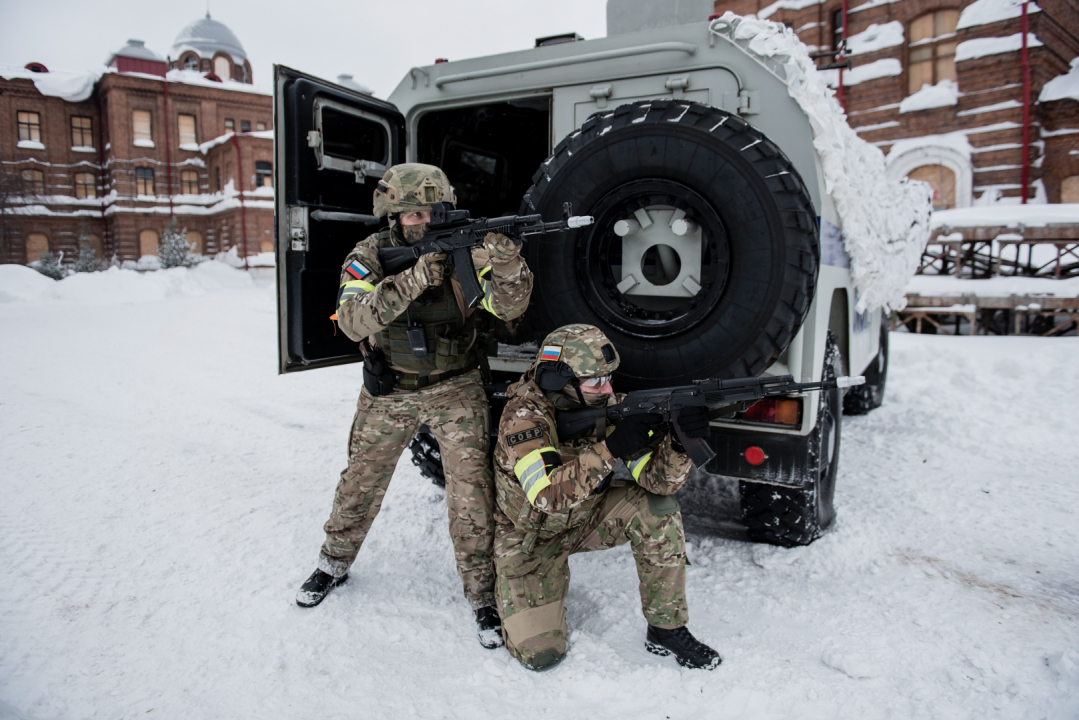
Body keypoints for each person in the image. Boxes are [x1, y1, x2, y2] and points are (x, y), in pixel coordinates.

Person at [296, 163, 533, 650]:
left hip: (456, 386)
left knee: (472, 495)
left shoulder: (469, 251)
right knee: (361, 480)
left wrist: (508, 263)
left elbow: (510, 309)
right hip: (393, 386)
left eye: (427, 210)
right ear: (390, 216)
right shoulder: (369, 254)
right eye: (408, 214)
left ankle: (482, 596)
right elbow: (354, 320)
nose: (419, 221)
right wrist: (412, 279)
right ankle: (333, 562)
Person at [491, 323, 721, 670]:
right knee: (541, 655)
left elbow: (657, 483)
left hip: (586, 518)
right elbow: (546, 495)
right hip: (530, 539)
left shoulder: (607, 405)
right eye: (595, 381)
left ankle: (665, 628)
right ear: (560, 380)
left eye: (608, 378)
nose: (608, 388)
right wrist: (610, 448)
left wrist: (678, 444)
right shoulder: (523, 418)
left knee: (657, 508)